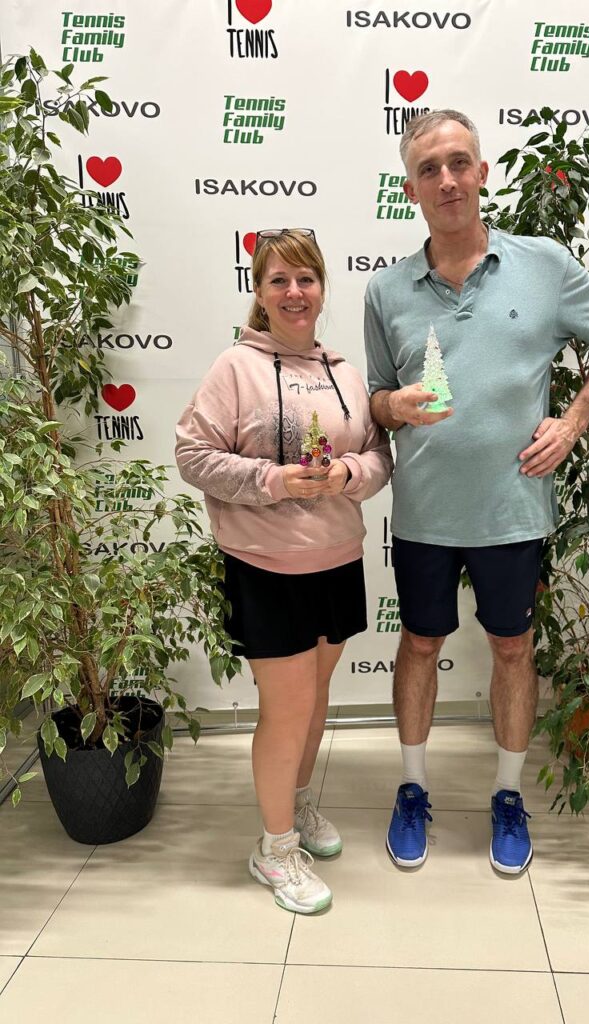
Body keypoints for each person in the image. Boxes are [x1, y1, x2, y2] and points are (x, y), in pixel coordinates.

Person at [364, 110, 589, 874]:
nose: (447, 179)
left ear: (482, 173)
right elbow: (376, 400)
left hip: (513, 509)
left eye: (459, 162)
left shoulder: (542, 264)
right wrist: (393, 405)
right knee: (419, 644)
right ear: (411, 188)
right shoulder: (385, 290)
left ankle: (509, 796)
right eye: (429, 168)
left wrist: (575, 419)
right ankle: (413, 789)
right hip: (424, 512)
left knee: (513, 649)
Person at [176, 229, 392, 914]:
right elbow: (192, 455)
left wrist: (349, 473)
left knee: (317, 698)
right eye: (279, 281)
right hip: (265, 566)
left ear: (322, 288)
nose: (294, 292)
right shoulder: (235, 367)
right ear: (260, 292)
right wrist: (274, 481)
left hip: (337, 558)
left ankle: (294, 807)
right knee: (288, 707)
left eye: (306, 279)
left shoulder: (345, 372)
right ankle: (272, 850)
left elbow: (379, 456)